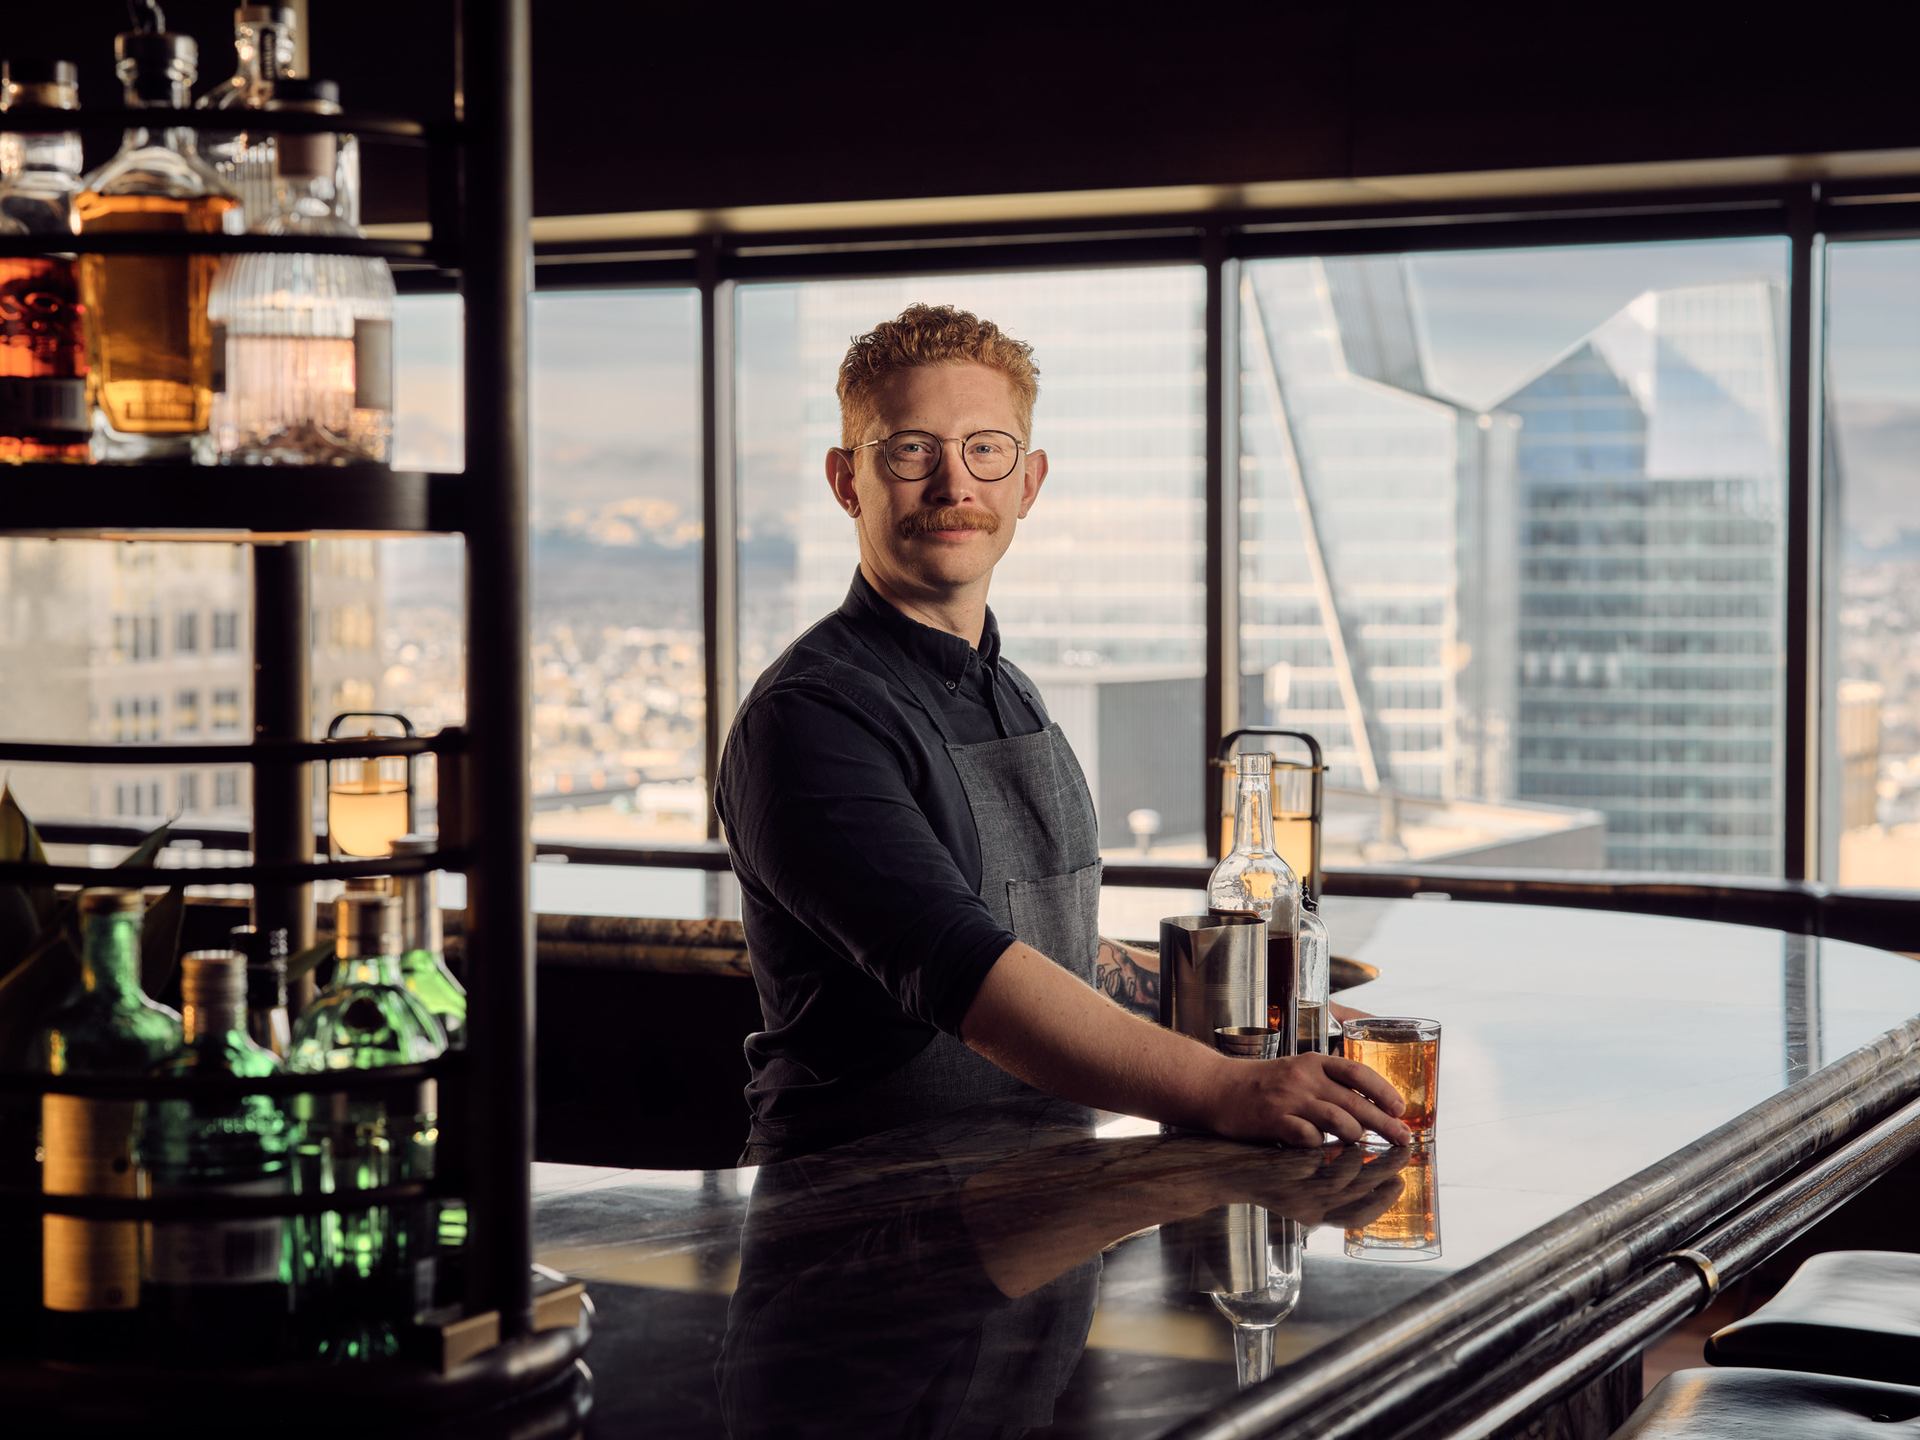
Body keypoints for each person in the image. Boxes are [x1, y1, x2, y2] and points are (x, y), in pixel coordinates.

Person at [715, 303, 1410, 1164]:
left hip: (1031, 1205)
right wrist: (1226, 1087)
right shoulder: (810, 716)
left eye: (985, 449)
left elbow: (1061, 953)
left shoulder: (1015, 693)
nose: (954, 485)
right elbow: (968, 970)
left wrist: (1288, 1011)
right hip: (852, 1219)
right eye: (910, 449)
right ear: (847, 480)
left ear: (1028, 483)